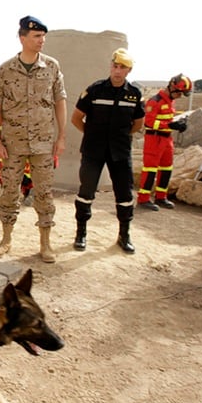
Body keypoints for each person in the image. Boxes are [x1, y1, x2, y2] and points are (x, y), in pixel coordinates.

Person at [0, 15, 67, 264]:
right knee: (9, 191)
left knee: (44, 192)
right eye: (36, 36)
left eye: (43, 36)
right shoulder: (5, 69)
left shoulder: (52, 67)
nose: (41, 40)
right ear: (22, 38)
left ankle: (45, 244)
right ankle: (5, 240)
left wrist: (61, 137)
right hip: (12, 143)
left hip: (43, 143)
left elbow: (60, 103)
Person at [70, 48, 145, 254]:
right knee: (86, 192)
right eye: (115, 66)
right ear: (110, 66)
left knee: (124, 194)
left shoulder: (134, 94)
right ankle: (81, 233)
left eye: (122, 67)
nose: (117, 71)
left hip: (120, 152)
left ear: (129, 70)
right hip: (94, 151)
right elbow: (76, 118)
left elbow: (138, 123)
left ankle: (124, 235)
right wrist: (91, 134)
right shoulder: (95, 90)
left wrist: (120, 136)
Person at [137, 74, 193, 211]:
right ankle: (143, 199)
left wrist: (178, 125)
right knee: (150, 169)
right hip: (154, 139)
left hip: (167, 139)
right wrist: (169, 125)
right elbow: (149, 122)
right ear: (172, 87)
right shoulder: (155, 101)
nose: (180, 96)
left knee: (167, 168)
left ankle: (161, 197)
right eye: (180, 92)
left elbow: (167, 120)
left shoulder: (170, 101)